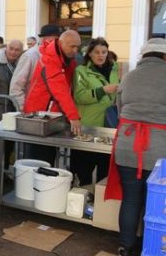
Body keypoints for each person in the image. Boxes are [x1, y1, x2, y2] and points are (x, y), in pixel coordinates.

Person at [105, 38, 166, 256]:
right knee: (156, 202)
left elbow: (120, 110)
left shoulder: (129, 77)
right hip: (160, 150)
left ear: (143, 56)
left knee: (131, 199)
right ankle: (151, 250)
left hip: (128, 147)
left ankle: (126, 248)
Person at [22, 30, 82, 164]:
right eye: (72, 46)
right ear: (61, 43)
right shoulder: (50, 59)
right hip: (39, 115)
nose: (75, 50)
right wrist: (73, 116)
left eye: (77, 46)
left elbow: (69, 87)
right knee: (38, 159)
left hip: (50, 115)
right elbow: (60, 89)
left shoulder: (66, 59)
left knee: (48, 158)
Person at [72, 38, 120, 186]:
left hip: (107, 126)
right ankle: (81, 198)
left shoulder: (114, 68)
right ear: (90, 54)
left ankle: (98, 203)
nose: (101, 55)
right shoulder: (81, 71)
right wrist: (103, 90)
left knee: (104, 170)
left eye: (104, 52)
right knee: (83, 170)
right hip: (87, 127)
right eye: (96, 52)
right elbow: (79, 96)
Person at [9, 24, 61, 109]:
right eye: (52, 40)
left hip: (50, 108)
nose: (55, 44)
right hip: (32, 109)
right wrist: (23, 108)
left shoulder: (57, 55)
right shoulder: (30, 56)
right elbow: (16, 86)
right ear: (43, 39)